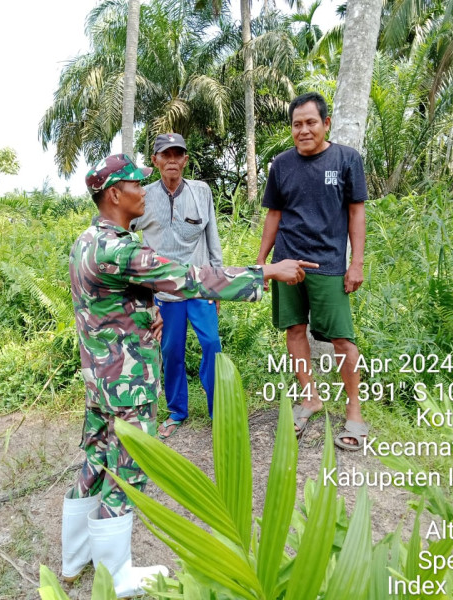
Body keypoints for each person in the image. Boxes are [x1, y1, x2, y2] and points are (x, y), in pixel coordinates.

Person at [62, 153, 316, 597]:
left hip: (98, 376)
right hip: (127, 381)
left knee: (97, 459)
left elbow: (107, 301)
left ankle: (73, 558)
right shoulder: (121, 247)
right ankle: (115, 575)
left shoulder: (87, 240)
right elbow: (189, 277)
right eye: (137, 186)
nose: (145, 192)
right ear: (115, 195)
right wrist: (267, 271)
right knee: (129, 468)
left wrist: (143, 313)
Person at [256, 92, 369, 449]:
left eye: (310, 122)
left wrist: (356, 264)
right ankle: (310, 398)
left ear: (326, 124)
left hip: (330, 265)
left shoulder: (347, 159)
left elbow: (357, 213)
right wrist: (262, 263)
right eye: (297, 124)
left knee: (341, 339)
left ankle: (354, 413)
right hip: (288, 262)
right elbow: (273, 215)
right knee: (294, 331)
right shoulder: (281, 165)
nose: (303, 130)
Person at [131, 133, 222, 440]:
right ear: (155, 161)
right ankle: (177, 411)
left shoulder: (201, 192)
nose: (172, 160)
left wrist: (217, 283)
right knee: (171, 352)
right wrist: (142, 286)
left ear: (185, 159)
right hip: (164, 294)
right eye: (165, 155)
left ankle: (218, 410)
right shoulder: (143, 197)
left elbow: (212, 239)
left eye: (177, 154)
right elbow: (121, 230)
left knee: (212, 345)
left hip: (199, 287)